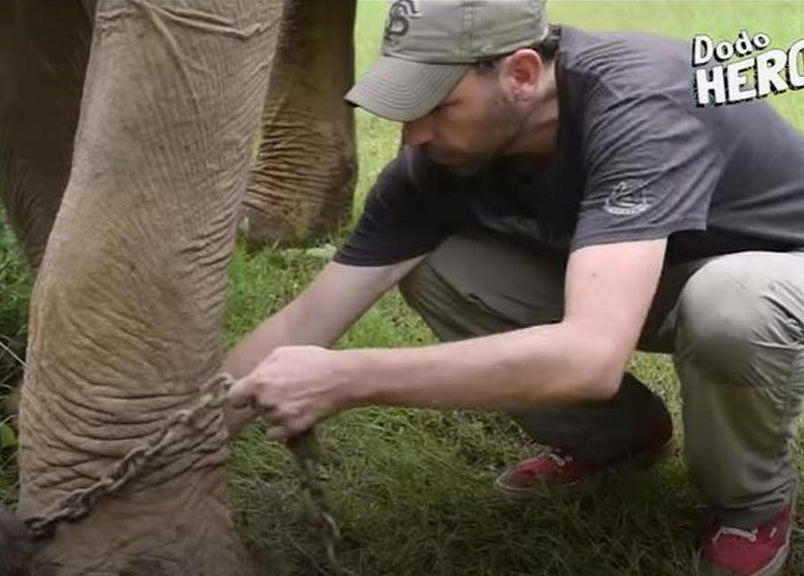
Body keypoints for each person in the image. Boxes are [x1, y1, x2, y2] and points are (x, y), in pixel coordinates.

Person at [224, 1, 804, 574]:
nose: (415, 134)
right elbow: (307, 321)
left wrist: (347, 378)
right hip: (651, 271)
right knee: (433, 264)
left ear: (522, 74)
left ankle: (750, 501)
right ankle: (619, 440)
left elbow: (588, 358)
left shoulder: (640, 102)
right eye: (406, 107)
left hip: (779, 275)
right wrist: (181, 434)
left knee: (730, 303)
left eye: (438, 106)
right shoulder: (437, 160)